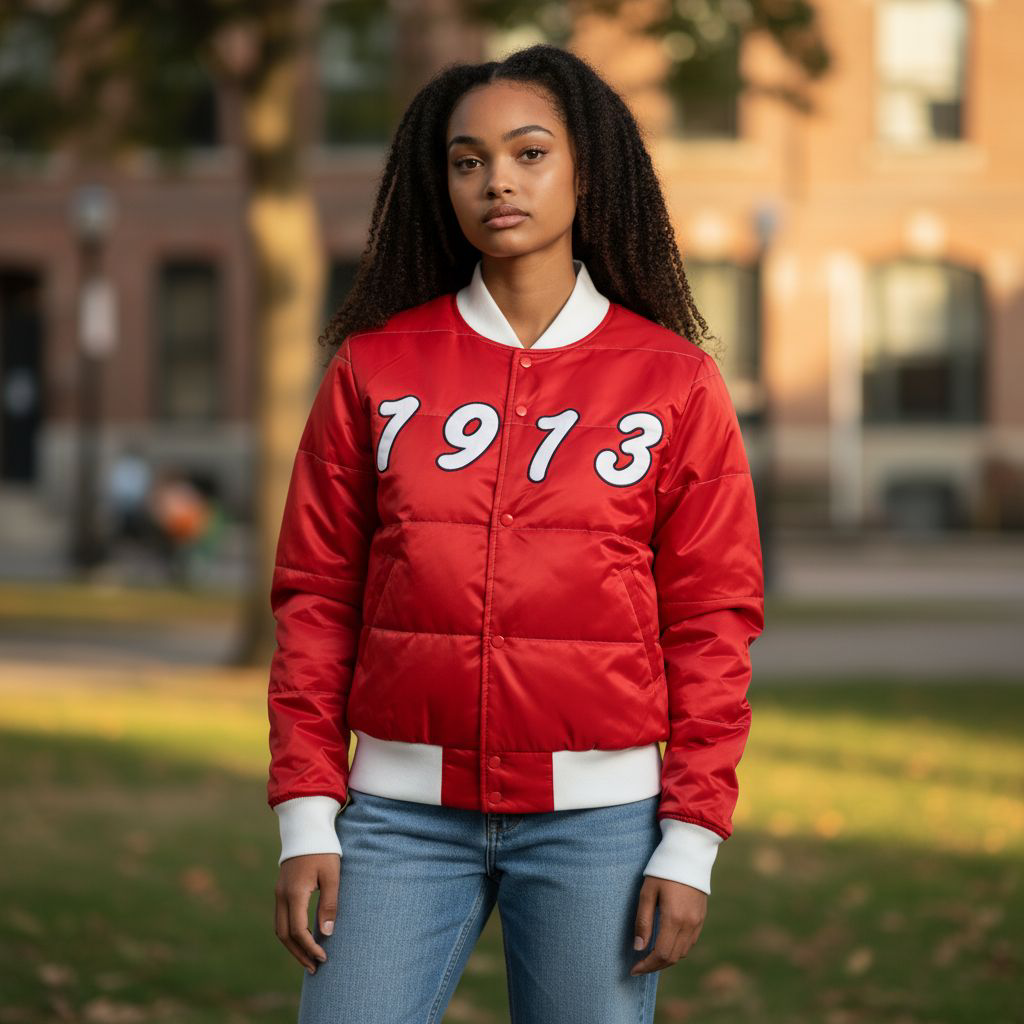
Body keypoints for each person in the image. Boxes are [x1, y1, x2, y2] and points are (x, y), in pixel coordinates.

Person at [267, 44, 764, 1024]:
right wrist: (306, 816)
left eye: (530, 153)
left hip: (602, 825)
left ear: (587, 170)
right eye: (468, 160)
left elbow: (713, 619)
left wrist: (691, 838)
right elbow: (315, 601)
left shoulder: (673, 381)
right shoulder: (374, 368)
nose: (498, 179)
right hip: (397, 819)